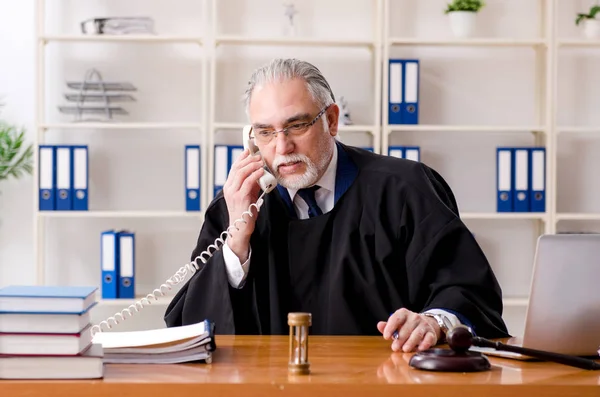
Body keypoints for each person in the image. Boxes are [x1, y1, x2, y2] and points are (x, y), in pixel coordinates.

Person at [164, 58, 510, 352]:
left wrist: (434, 322)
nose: (281, 147)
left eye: (296, 125)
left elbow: (467, 289)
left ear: (331, 120)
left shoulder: (406, 189)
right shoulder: (238, 205)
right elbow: (189, 328)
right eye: (265, 132)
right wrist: (237, 241)